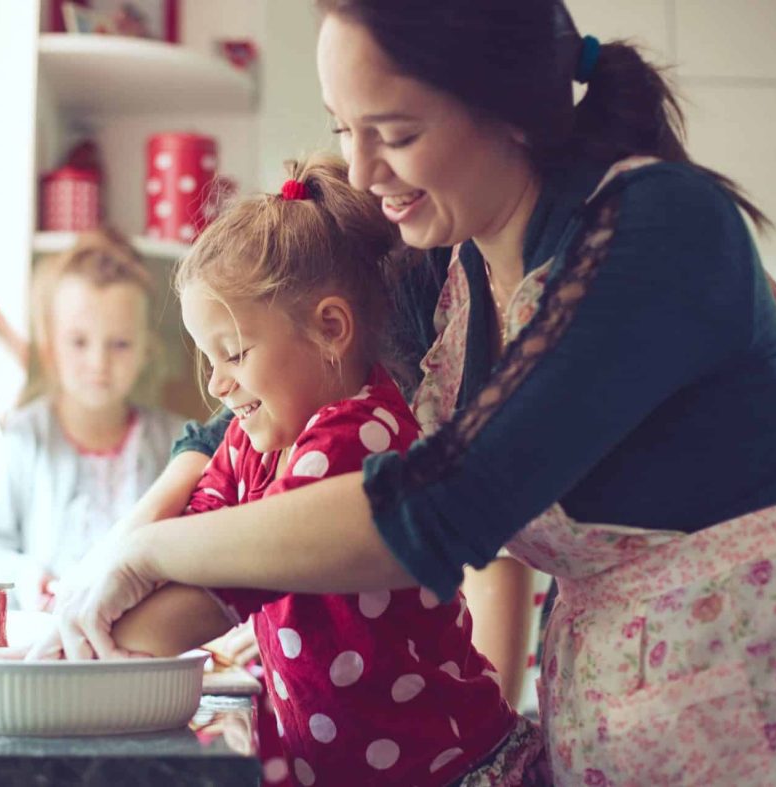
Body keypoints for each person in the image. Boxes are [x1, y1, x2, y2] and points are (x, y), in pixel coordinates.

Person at [46, 2, 776, 783]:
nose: (361, 172)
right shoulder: (446, 262)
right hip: (617, 717)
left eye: (394, 134)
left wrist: (149, 551)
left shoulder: (659, 230)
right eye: (342, 130)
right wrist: (118, 552)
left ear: (511, 113)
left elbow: (433, 509)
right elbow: (242, 411)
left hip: (765, 703)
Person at [47, 155, 545, 786]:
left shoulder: (357, 437)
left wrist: (65, 652)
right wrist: (104, 588)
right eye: (208, 360)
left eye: (234, 353)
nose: (218, 383)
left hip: (454, 773)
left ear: (330, 328)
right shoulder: (260, 434)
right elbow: (202, 516)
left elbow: (221, 583)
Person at [0, 228, 185, 610]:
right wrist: (30, 580)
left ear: (144, 349)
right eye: (79, 342)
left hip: (145, 642)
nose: (98, 363)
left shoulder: (178, 442)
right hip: (48, 640)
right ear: (50, 347)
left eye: (119, 344)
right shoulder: (25, 436)